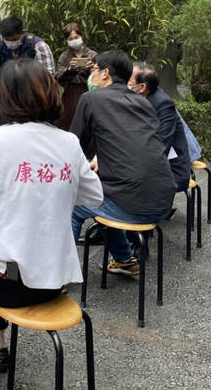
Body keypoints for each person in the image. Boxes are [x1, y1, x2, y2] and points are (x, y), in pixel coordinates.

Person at [0, 58, 103, 381]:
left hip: (6, 287)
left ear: (1, 98)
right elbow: (95, 198)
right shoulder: (69, 143)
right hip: (54, 284)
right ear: (49, 95)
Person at [70, 50, 176, 276]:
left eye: (94, 70)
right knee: (106, 195)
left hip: (132, 205)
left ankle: (57, 275)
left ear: (106, 73)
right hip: (164, 202)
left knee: (75, 205)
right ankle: (125, 260)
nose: (92, 75)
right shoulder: (143, 102)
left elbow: (72, 147)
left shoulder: (90, 99)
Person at [129, 62, 190, 193]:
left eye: (128, 80)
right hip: (144, 161)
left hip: (170, 169)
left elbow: (160, 145)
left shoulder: (162, 104)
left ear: (142, 87)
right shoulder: (134, 98)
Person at [55, 22, 97, 131]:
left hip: (88, 91)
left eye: (76, 37)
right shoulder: (64, 56)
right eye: (70, 38)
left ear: (81, 36)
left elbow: (100, 79)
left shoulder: (92, 55)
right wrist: (69, 69)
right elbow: (59, 78)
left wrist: (92, 69)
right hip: (70, 94)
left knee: (89, 122)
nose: (74, 40)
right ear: (67, 41)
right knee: (67, 122)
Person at [0, 16, 54, 82]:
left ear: (23, 32)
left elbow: (48, 73)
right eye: (7, 40)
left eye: (14, 39)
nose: (11, 42)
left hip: (33, 86)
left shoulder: (38, 46)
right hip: (7, 87)